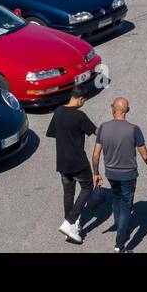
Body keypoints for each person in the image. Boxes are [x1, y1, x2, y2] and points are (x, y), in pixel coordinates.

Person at [91, 97, 147, 253]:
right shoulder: (134, 129)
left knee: (116, 198)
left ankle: (120, 226)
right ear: (127, 111)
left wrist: (96, 172)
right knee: (126, 206)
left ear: (112, 109)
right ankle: (119, 246)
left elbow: (95, 154)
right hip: (128, 175)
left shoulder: (103, 128)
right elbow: (145, 156)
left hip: (111, 173)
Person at [47, 88, 96, 245]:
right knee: (87, 187)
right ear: (80, 99)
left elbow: (53, 133)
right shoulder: (79, 116)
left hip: (62, 162)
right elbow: (96, 131)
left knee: (68, 193)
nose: (83, 104)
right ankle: (70, 222)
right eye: (84, 101)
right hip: (78, 162)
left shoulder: (59, 111)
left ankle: (71, 227)